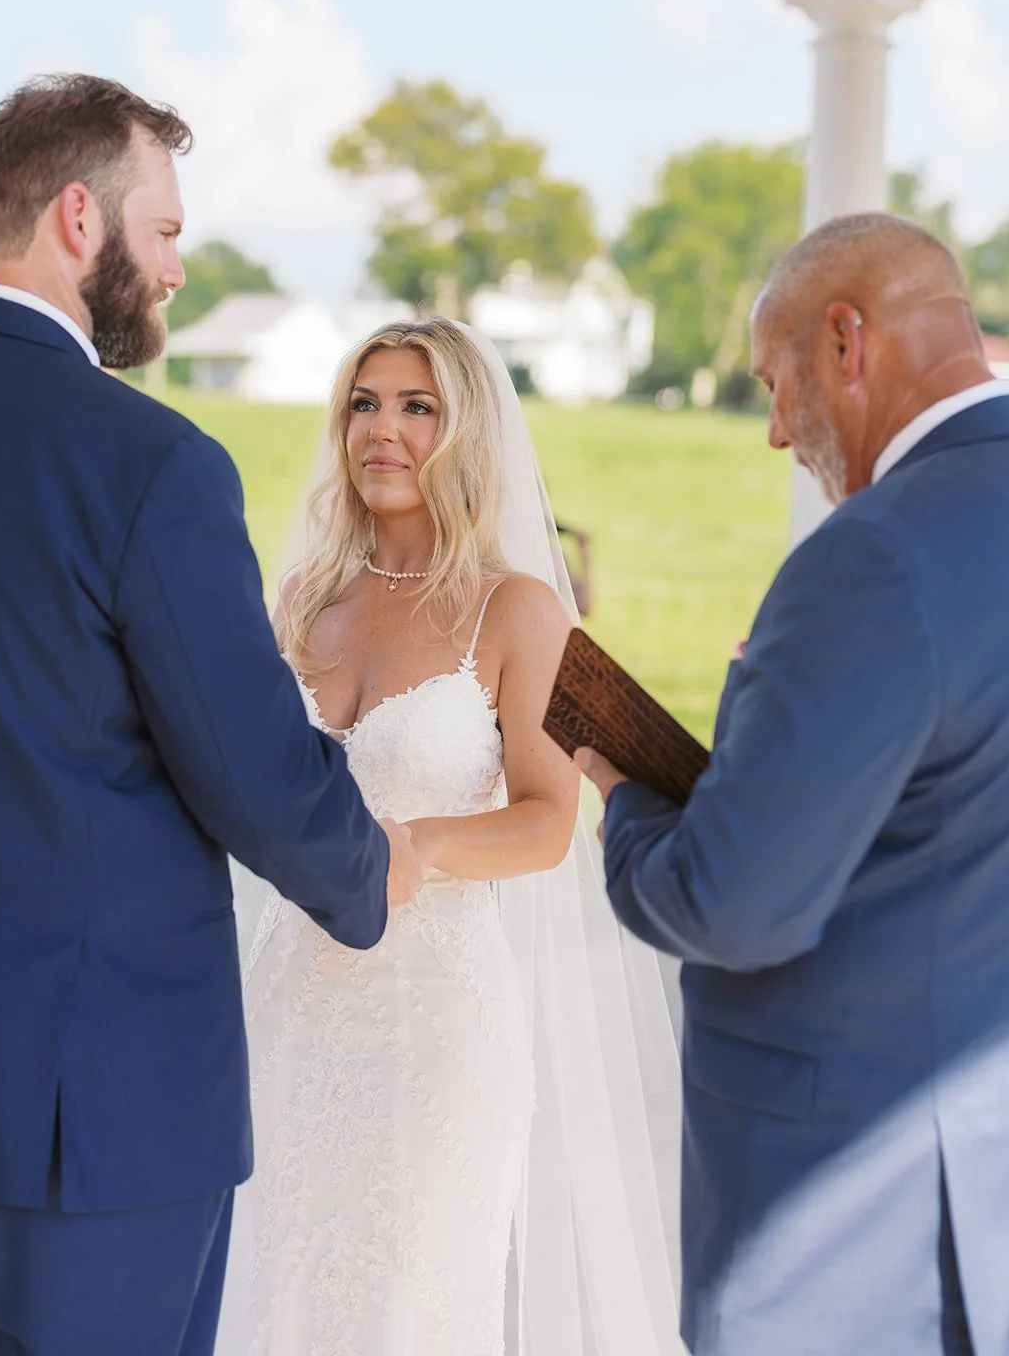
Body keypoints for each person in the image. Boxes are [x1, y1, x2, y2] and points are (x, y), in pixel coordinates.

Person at [0, 73, 419, 1356]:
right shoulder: (151, 463)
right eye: (168, 231)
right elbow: (251, 765)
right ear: (81, 220)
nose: (179, 269)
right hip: (87, 1119)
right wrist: (368, 871)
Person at [581, 211, 1009, 1355]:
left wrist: (627, 793)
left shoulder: (873, 554)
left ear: (846, 342)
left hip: (857, 1224)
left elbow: (732, 902)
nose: (776, 432)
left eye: (777, 384)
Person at [221, 315, 684, 1356]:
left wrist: (418, 847)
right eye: (364, 403)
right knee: (281, 1286)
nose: (381, 429)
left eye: (416, 406)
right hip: (288, 1003)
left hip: (431, 1017)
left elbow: (546, 819)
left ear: (467, 429)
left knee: (406, 1303)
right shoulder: (302, 599)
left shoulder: (518, 611)